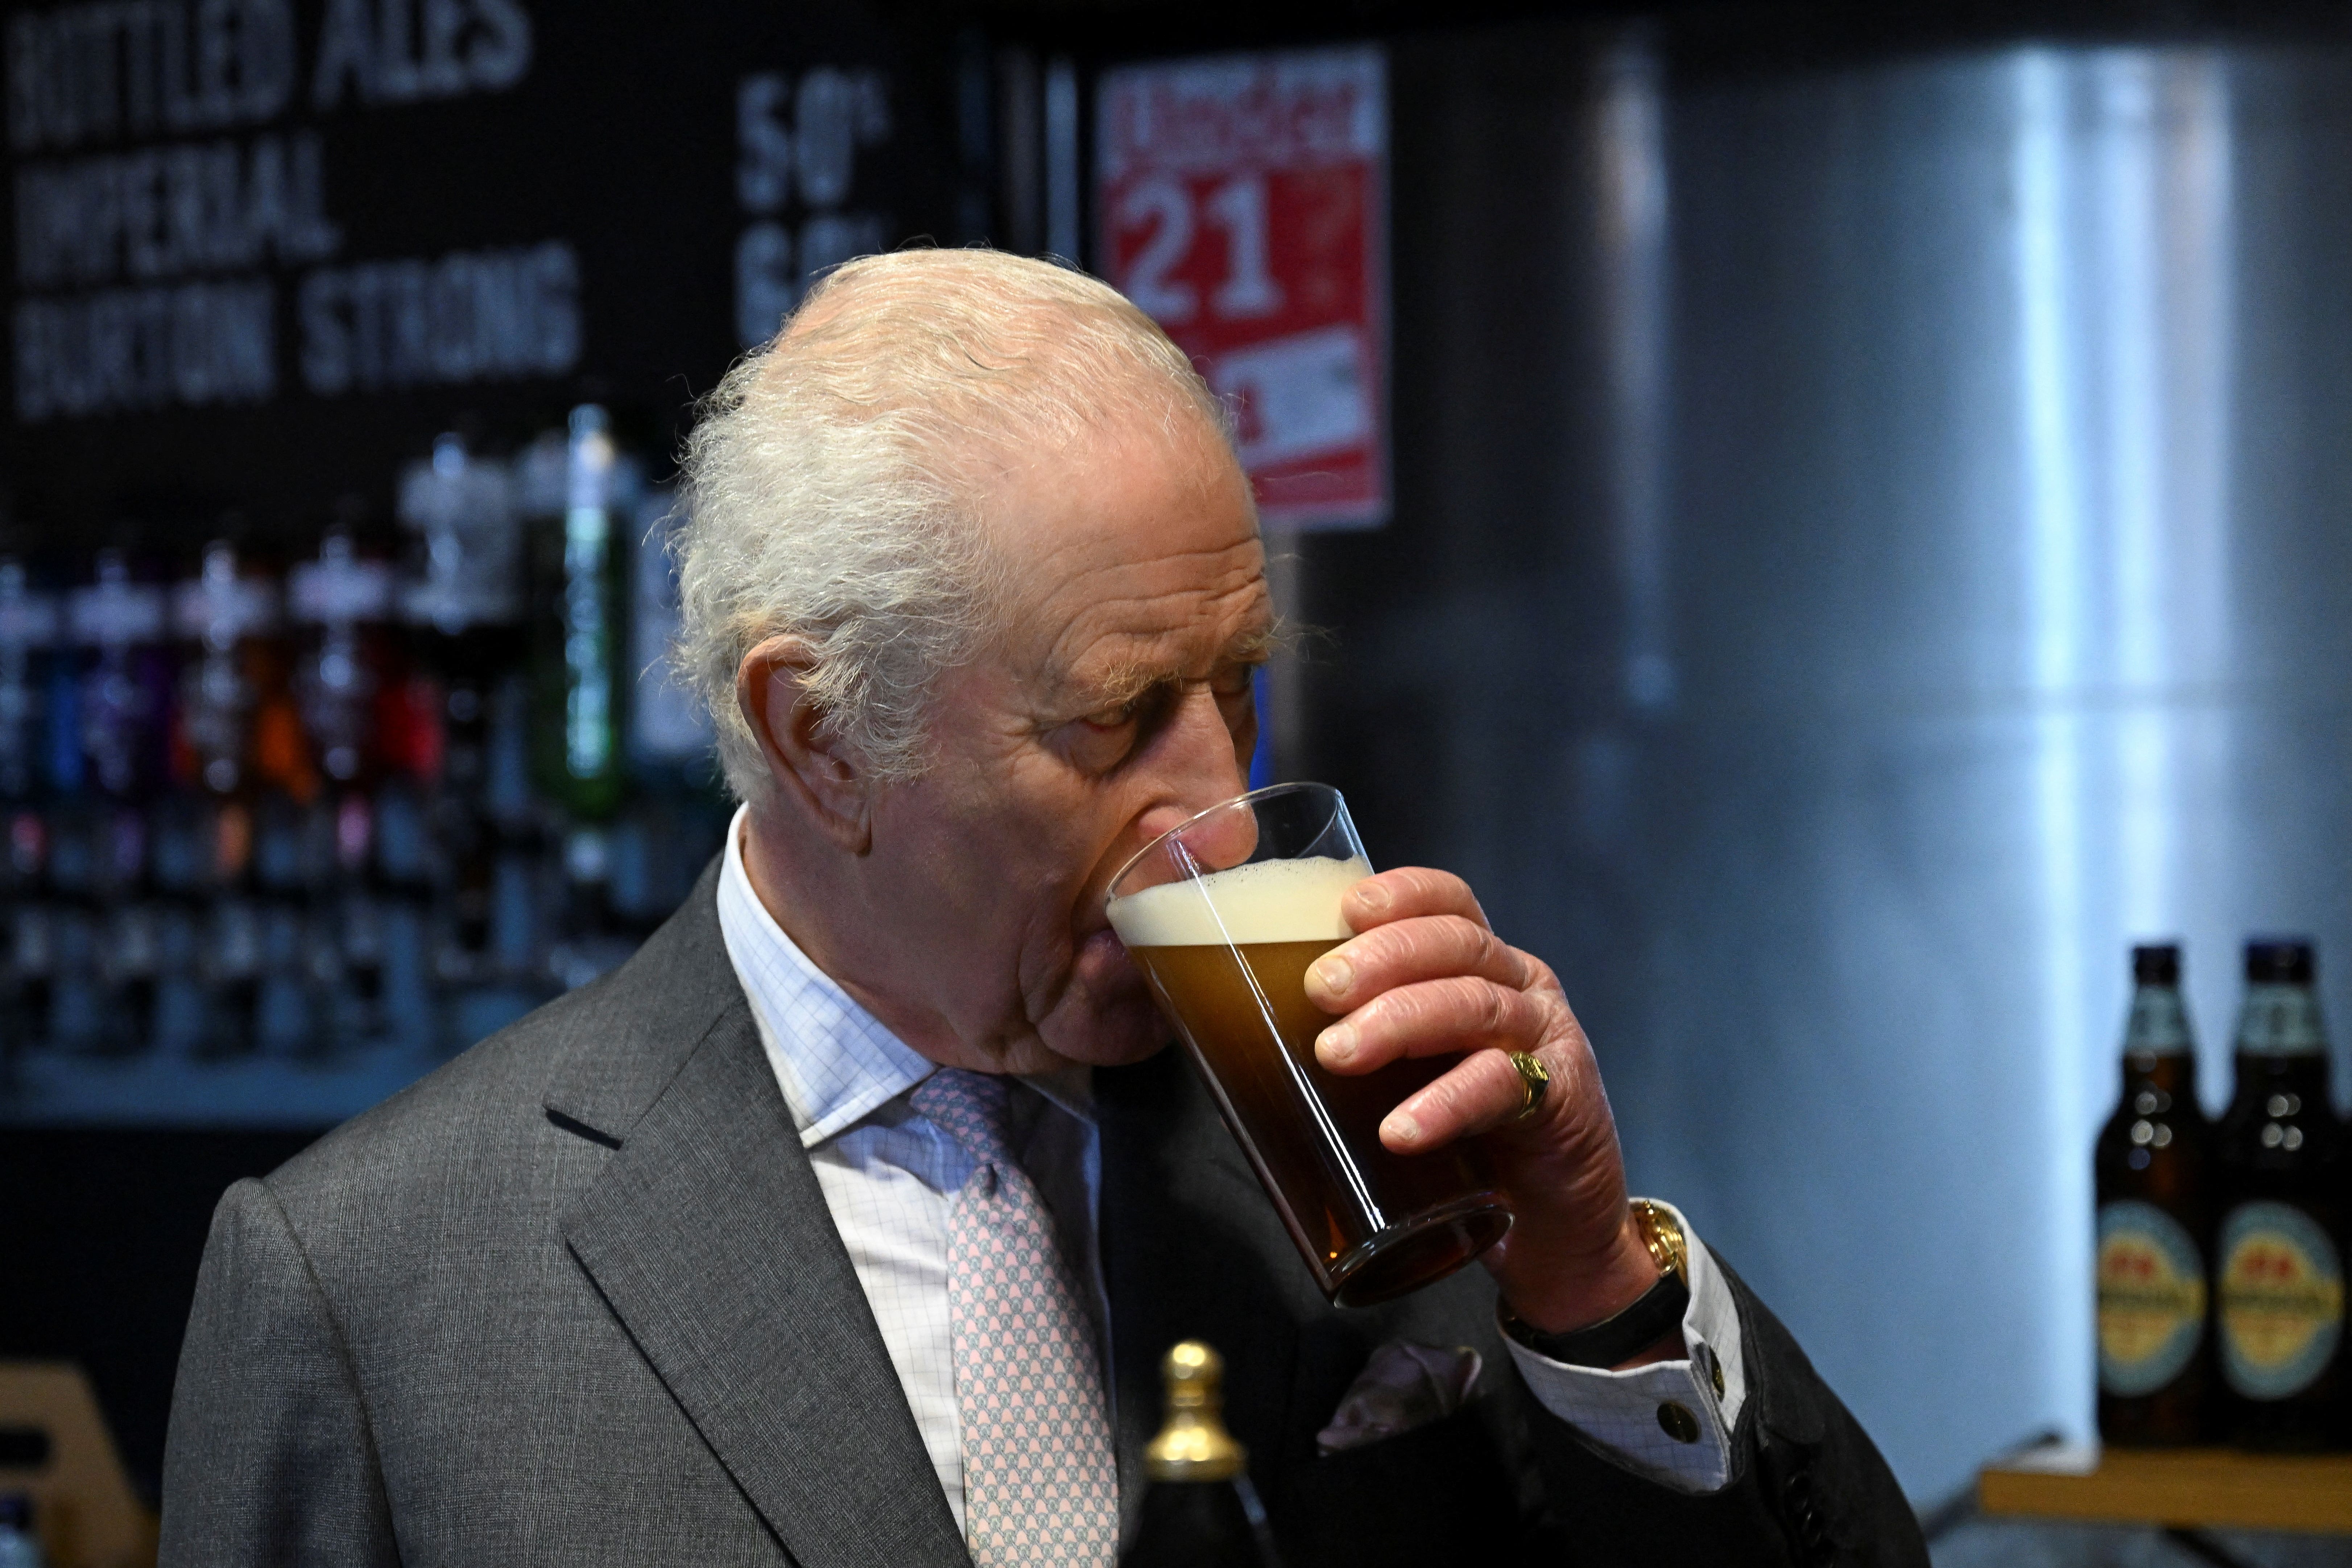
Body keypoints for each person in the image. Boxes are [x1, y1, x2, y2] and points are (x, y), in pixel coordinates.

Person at [158, 250, 1925, 1567]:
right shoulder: (374, 1289)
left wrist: (1589, 1275)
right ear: (819, 735)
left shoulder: (1353, 1118)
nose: (1220, 804)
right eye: (1110, 719)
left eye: (1234, 684)